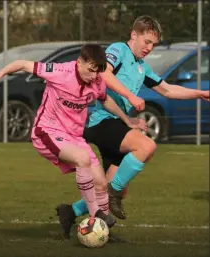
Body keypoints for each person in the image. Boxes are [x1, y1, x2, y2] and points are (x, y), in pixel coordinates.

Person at [56, 15, 210, 233]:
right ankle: (112, 194)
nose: (149, 47)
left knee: (116, 185)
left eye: (153, 44)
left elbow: (167, 89)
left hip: (117, 123)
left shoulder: (141, 67)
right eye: (146, 41)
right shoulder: (119, 50)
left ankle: (70, 211)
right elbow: (103, 72)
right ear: (134, 35)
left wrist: (199, 93)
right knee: (146, 146)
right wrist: (130, 96)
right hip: (102, 121)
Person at [0, 44, 140, 239]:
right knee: (82, 158)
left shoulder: (97, 81)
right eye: (90, 70)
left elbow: (105, 99)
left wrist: (127, 120)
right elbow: (24, 64)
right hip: (47, 132)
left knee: (101, 183)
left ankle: (93, 227)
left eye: (97, 71)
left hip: (74, 137)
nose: (94, 76)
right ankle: (97, 215)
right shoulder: (60, 71)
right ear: (79, 62)